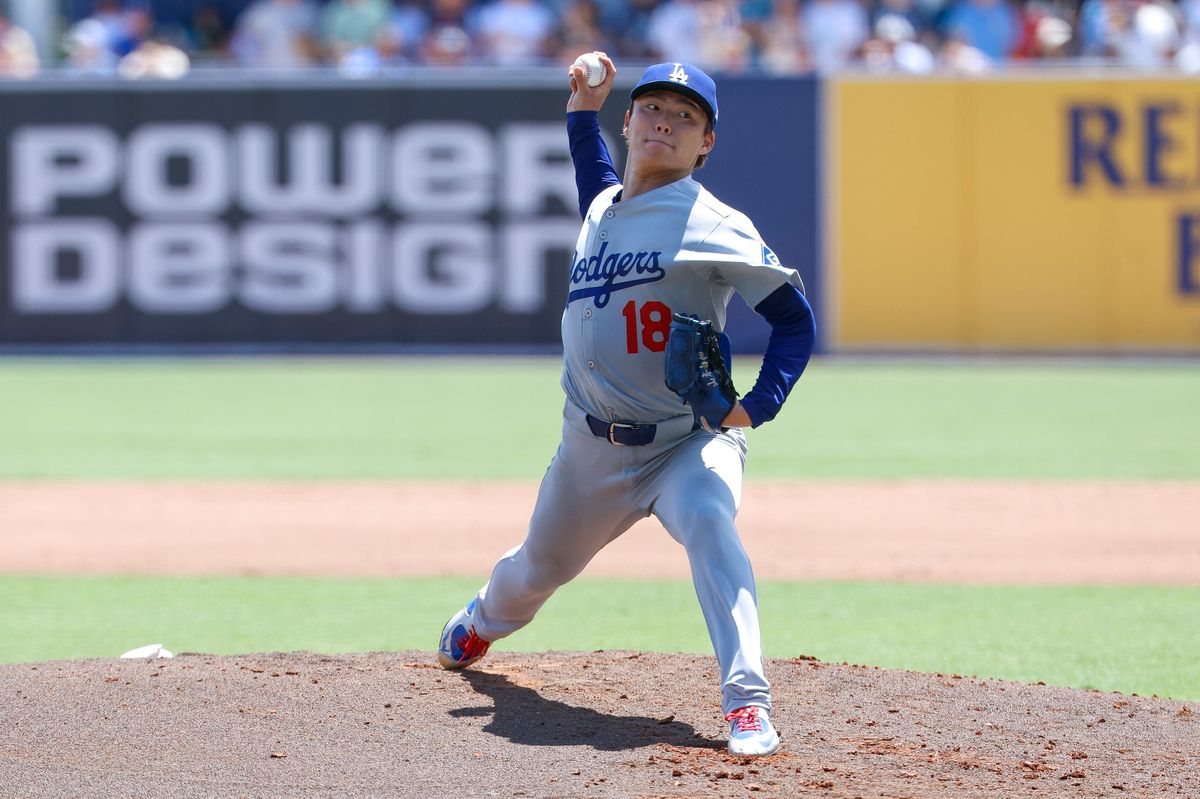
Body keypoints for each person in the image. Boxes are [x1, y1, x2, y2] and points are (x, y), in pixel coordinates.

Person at [437, 53, 815, 758]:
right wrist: (583, 104)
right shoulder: (605, 207)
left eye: (686, 117)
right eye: (653, 109)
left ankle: (746, 701)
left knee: (709, 521)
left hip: (685, 441)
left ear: (706, 144)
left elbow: (795, 320)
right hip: (591, 449)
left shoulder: (713, 221)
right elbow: (593, 169)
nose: (665, 124)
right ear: (632, 121)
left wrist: (755, 407)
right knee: (533, 573)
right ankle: (482, 620)